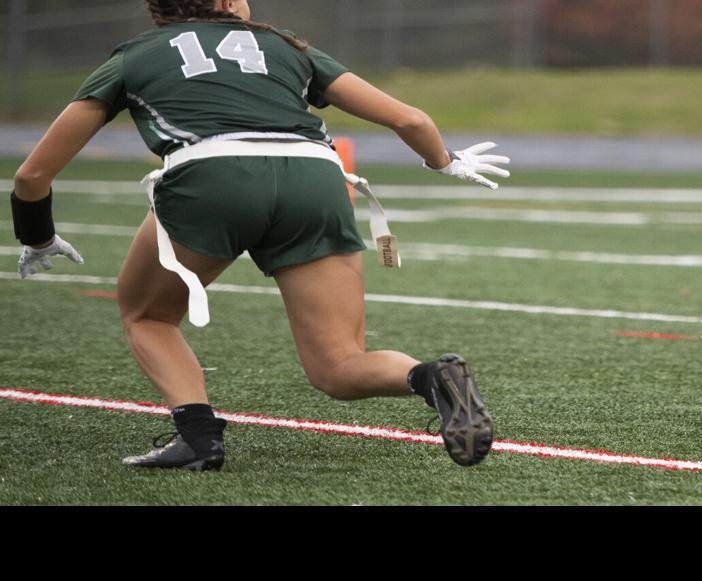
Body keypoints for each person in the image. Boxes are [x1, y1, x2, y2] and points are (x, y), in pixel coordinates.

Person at [11, 0, 510, 470]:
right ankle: (429, 377)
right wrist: (445, 161)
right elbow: (410, 118)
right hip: (315, 177)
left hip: (212, 176)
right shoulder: (285, 43)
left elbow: (32, 176)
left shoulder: (134, 55)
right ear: (227, 3)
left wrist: (38, 237)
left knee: (148, 315)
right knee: (338, 365)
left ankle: (198, 438)